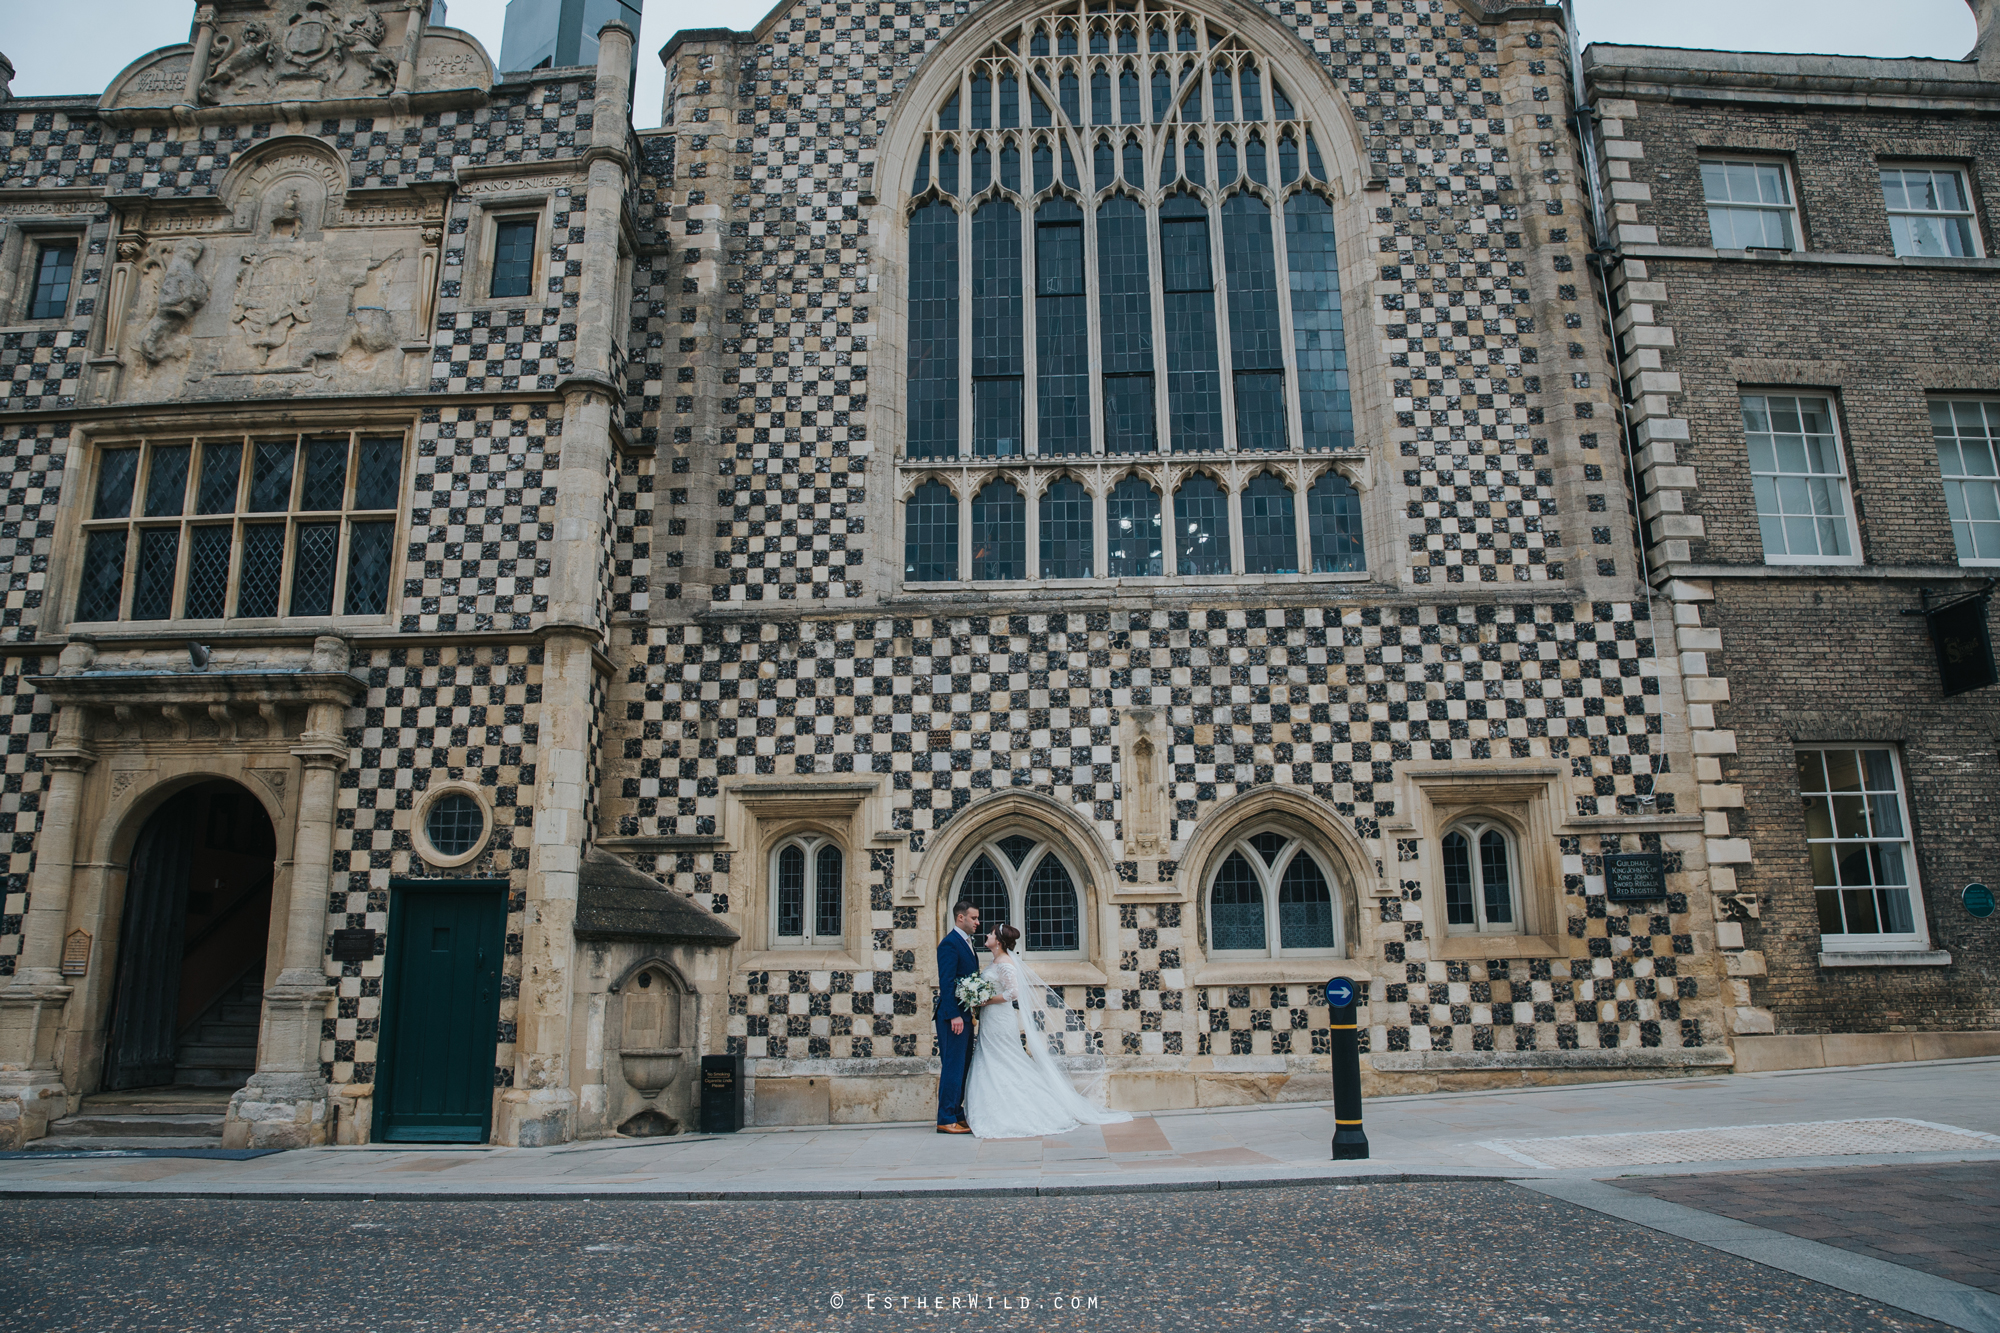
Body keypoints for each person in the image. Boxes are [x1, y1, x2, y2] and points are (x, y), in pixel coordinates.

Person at [961, 923, 1132, 1139]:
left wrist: (984, 1000)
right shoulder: (995, 960)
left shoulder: (1005, 962)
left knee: (1004, 1058)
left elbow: (1013, 993)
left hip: (1000, 1017)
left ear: (999, 941)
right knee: (991, 1058)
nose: (987, 935)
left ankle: (1029, 1109)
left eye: (991, 934)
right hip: (990, 1018)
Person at [933, 899, 981, 1134]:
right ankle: (945, 1117)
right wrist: (954, 1015)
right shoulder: (949, 944)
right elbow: (947, 982)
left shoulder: (967, 943)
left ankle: (957, 1112)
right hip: (953, 1017)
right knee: (952, 1066)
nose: (977, 922)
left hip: (965, 1015)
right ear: (960, 917)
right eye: (974, 918)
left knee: (963, 1065)